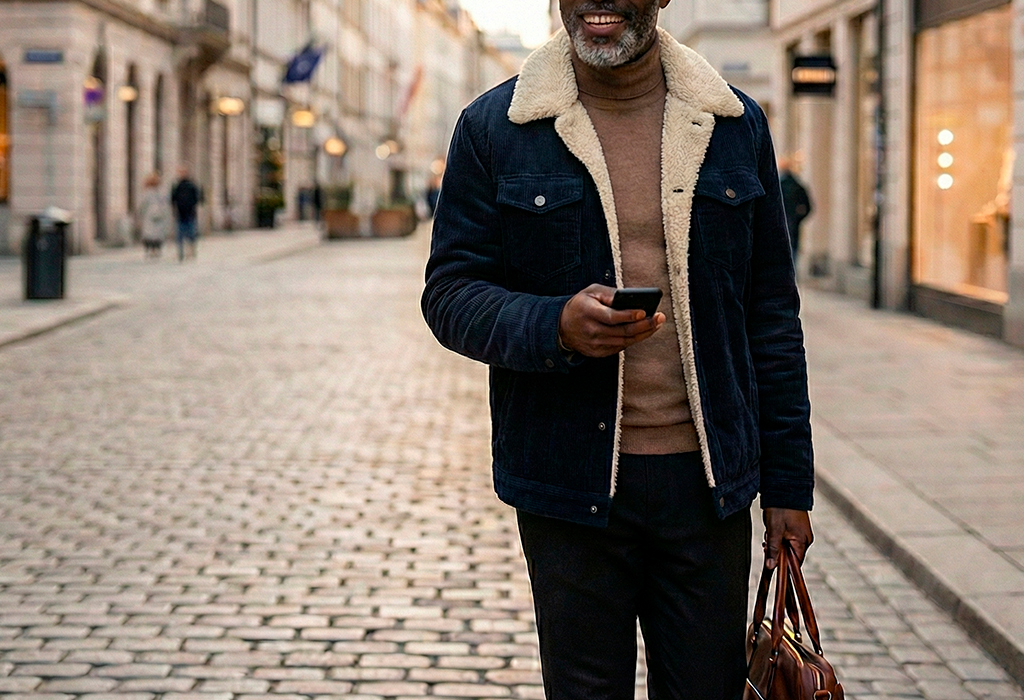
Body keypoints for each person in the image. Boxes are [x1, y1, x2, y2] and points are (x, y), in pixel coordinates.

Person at [422, 1, 814, 698]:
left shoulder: (734, 124)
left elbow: (771, 316)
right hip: (567, 482)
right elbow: (450, 293)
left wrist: (788, 486)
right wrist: (554, 326)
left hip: (708, 484)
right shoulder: (496, 127)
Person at [779, 156, 813, 263]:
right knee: (793, 252)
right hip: (793, 225)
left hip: (780, 225)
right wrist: (798, 218)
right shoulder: (798, 186)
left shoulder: (779, 186)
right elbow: (808, 207)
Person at [170, 167, 202, 262]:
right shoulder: (179, 186)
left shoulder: (187, 186)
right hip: (185, 213)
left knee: (186, 233)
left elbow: (173, 199)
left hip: (186, 213)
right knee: (186, 233)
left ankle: (189, 250)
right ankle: (184, 251)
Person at [137, 172, 171, 259]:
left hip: (148, 216)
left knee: (149, 234)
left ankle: (150, 250)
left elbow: (142, 205)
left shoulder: (146, 193)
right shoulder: (162, 192)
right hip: (160, 215)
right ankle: (157, 250)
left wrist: (140, 214)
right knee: (158, 234)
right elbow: (166, 204)